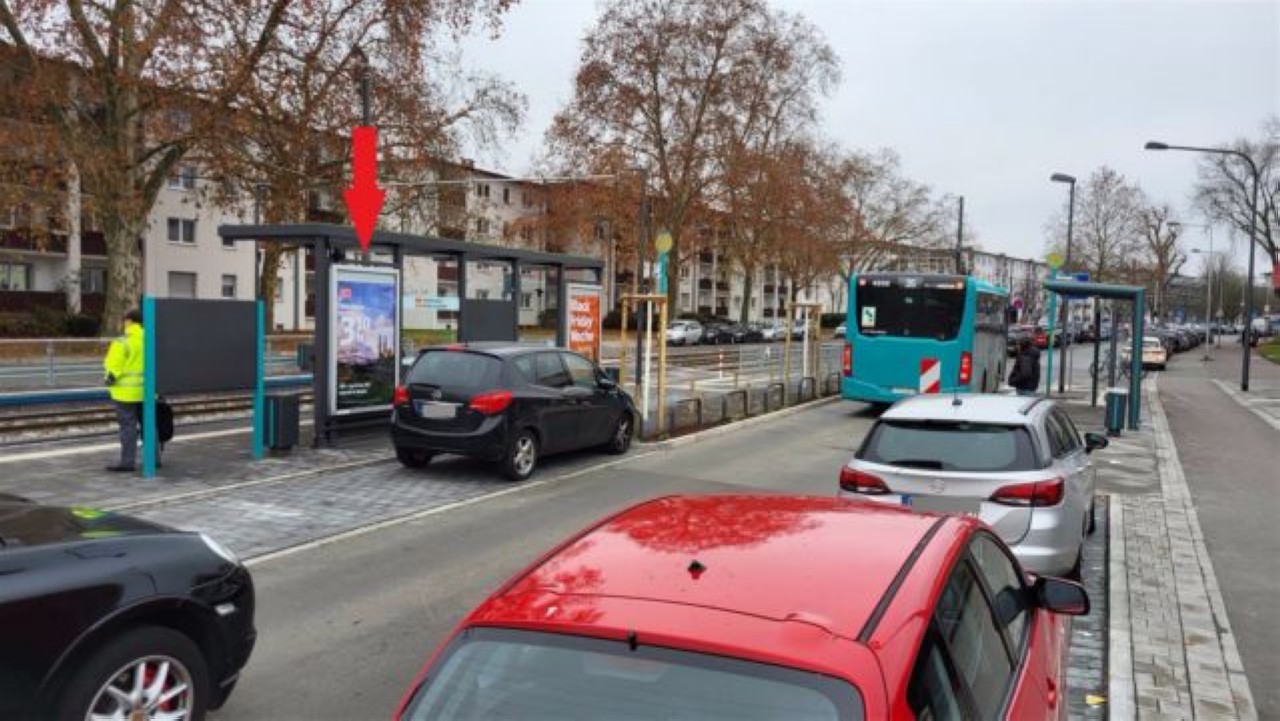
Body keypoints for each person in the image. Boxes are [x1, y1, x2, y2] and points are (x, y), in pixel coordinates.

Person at [103, 308, 145, 472]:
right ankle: (154, 459)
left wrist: (109, 379)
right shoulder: (151, 338)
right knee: (149, 424)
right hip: (148, 391)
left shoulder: (122, 342)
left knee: (128, 427)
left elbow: (114, 366)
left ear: (129, 321)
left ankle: (127, 462)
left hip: (126, 393)